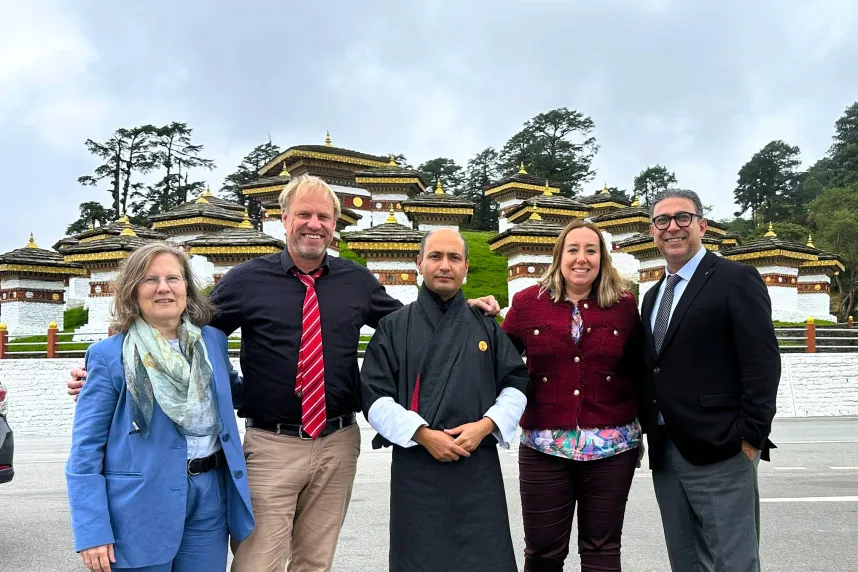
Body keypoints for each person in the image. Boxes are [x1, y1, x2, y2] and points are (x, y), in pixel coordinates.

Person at [67, 175, 500, 572]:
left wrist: (465, 309)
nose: (314, 224)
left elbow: (411, 327)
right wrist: (117, 367)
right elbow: (183, 333)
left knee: (315, 561)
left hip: (337, 442)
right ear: (284, 219)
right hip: (271, 444)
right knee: (258, 562)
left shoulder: (356, 280)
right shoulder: (246, 280)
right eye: (304, 215)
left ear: (335, 224)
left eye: (324, 216)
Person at [65, 242, 253, 572]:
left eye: (173, 279)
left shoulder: (211, 342)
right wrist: (92, 530)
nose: (163, 288)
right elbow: (85, 451)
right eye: (150, 280)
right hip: (139, 505)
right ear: (132, 292)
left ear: (187, 290)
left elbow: (235, 394)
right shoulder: (109, 356)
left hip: (209, 496)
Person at [360, 227, 530, 572]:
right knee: (420, 558)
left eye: (454, 257)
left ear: (466, 266)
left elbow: (515, 382)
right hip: (417, 465)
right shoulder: (394, 326)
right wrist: (423, 434)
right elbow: (375, 396)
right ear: (419, 263)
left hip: (476, 461)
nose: (444, 265)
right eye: (435, 256)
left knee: (484, 559)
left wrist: (486, 426)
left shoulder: (485, 325)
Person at [640, 189, 780, 572]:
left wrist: (751, 435)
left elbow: (762, 362)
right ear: (652, 231)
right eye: (662, 220)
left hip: (722, 448)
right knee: (685, 560)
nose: (672, 227)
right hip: (667, 451)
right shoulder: (652, 297)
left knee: (732, 561)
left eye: (682, 217)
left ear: (702, 225)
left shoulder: (735, 279)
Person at [501, 218, 645, 572]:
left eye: (591, 250)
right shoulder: (526, 304)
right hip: (543, 447)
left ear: (603, 258)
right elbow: (500, 361)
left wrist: (647, 432)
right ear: (559, 256)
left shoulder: (625, 305)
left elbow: (640, 370)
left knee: (602, 550)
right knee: (542, 553)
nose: (582, 259)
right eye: (573, 250)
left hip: (613, 449)